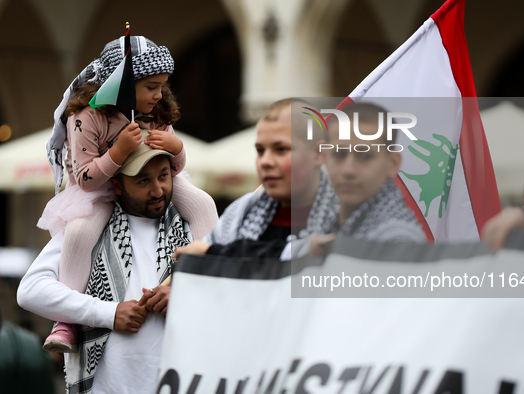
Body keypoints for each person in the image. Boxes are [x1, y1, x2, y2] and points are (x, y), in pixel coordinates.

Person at [38, 35, 217, 353]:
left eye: (162, 86)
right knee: (79, 232)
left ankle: (205, 277)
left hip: (152, 179)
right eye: (151, 87)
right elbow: (85, 178)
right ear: (120, 85)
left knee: (203, 202)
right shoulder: (86, 118)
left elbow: (174, 168)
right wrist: (118, 153)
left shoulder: (156, 112)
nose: (159, 94)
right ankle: (66, 320)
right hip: (100, 190)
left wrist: (176, 148)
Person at [17, 140, 204, 394]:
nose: (158, 190)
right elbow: (31, 291)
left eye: (164, 176)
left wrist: (184, 300)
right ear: (117, 185)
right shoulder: (85, 231)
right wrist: (109, 313)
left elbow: (231, 302)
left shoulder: (195, 230)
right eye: (142, 180)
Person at [173, 98, 338, 260]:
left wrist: (216, 253)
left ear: (318, 154)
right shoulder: (240, 214)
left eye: (281, 149)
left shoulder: (348, 215)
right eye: (260, 151)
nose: (265, 161)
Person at [308, 102, 425, 256]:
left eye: (365, 156)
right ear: (324, 157)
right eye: (339, 154)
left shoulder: (399, 244)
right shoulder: (320, 225)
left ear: (393, 163)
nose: (348, 170)